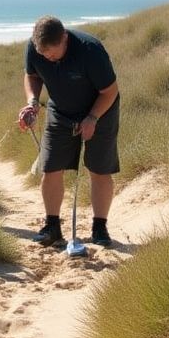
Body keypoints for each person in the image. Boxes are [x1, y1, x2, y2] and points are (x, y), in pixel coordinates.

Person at [17, 16, 120, 248]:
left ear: (64, 38)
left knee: (99, 168)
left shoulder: (90, 51)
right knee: (50, 166)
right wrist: (32, 102)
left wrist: (92, 118)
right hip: (60, 111)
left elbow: (110, 91)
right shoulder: (35, 48)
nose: (48, 58)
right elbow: (32, 75)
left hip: (100, 111)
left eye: (53, 54)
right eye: (44, 55)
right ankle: (52, 226)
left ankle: (99, 227)